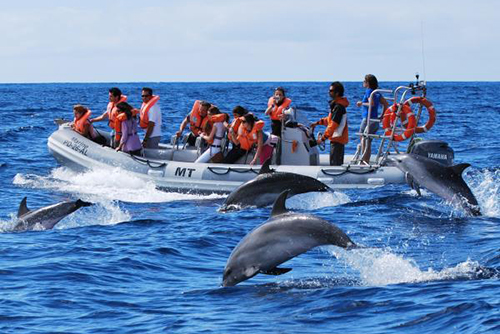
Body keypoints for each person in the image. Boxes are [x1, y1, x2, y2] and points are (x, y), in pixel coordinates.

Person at [311, 82, 349, 166]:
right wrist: (317, 123)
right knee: (336, 164)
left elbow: (332, 125)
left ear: (337, 93)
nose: (329, 92)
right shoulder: (336, 106)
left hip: (337, 140)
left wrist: (323, 139)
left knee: (335, 165)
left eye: (331, 91)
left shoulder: (338, 108)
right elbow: (329, 120)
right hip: (336, 140)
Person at [356, 74, 389, 164]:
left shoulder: (369, 91)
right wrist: (382, 116)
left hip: (368, 119)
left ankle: (363, 161)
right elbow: (386, 104)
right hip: (375, 121)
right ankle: (366, 160)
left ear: (368, 83)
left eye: (364, 81)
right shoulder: (377, 92)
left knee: (363, 138)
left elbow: (372, 104)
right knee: (368, 141)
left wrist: (361, 103)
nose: (363, 83)